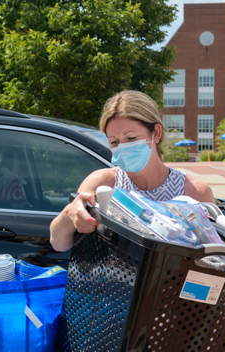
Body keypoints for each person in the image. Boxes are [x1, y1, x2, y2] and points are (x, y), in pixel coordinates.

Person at [50, 90, 214, 251]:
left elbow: (215, 260)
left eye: (131, 138)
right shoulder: (102, 183)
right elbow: (58, 243)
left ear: (155, 133)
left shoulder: (194, 192)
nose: (123, 147)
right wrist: (69, 215)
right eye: (114, 141)